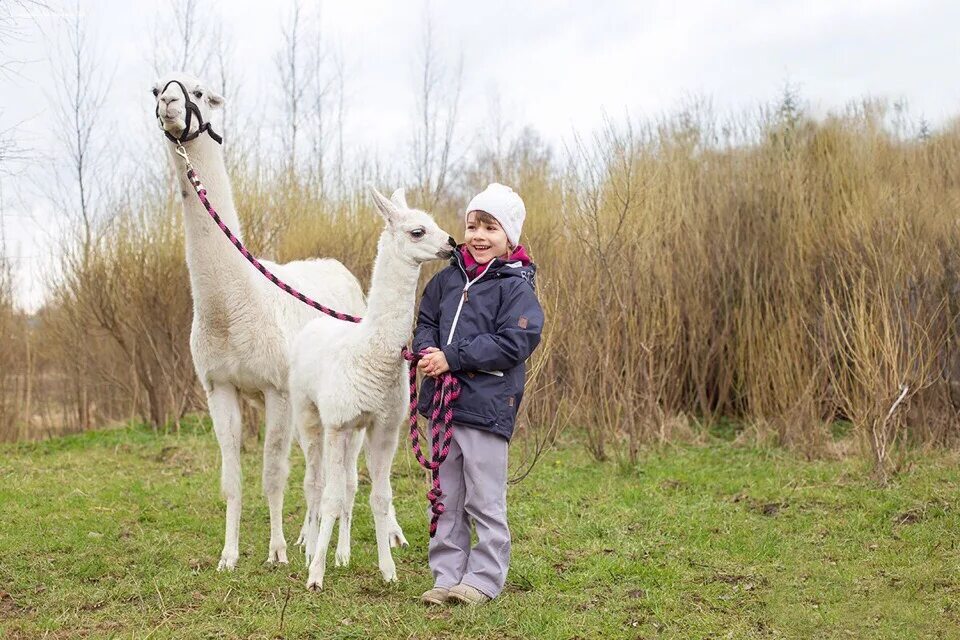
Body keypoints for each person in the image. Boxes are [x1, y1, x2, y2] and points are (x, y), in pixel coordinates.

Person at [412, 183, 545, 605]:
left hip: (488, 409)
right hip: (445, 408)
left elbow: (514, 343)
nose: (479, 235)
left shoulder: (515, 287)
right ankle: (447, 576)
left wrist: (452, 357)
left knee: (485, 499)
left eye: (491, 227)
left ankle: (484, 579)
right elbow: (426, 321)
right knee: (446, 498)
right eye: (473, 225)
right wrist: (427, 351)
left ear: (510, 237)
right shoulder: (446, 281)